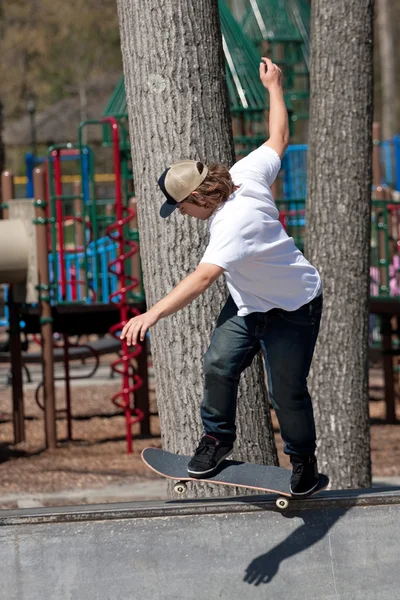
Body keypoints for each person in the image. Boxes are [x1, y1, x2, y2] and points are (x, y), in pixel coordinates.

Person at [121, 58, 323, 496]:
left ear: (196, 197)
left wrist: (150, 315)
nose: (185, 217)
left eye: (182, 209)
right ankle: (216, 439)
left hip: (294, 307)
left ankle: (303, 463)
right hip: (250, 303)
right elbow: (279, 137)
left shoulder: (236, 223)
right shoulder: (244, 172)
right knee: (218, 363)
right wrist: (273, 85)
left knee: (285, 392)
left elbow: (200, 280)